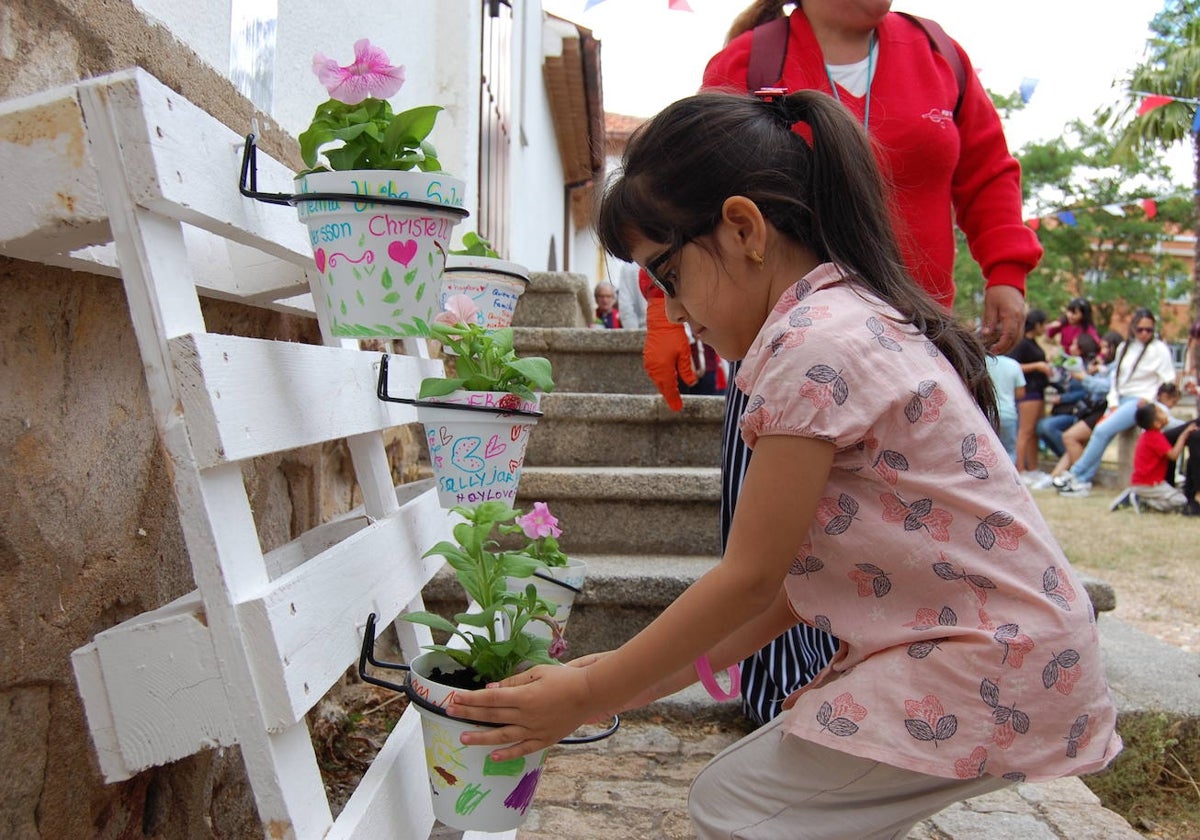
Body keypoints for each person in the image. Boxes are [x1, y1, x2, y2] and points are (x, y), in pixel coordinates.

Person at [448, 90, 1120, 839]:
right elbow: (789, 598)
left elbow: (750, 578)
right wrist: (619, 681)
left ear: (742, 228)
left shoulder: (811, 347)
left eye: (666, 274)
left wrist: (591, 695)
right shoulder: (842, 320)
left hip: (989, 662)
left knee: (739, 808)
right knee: (798, 804)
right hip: (1003, 653)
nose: (671, 312)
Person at [697, 0, 1044, 728]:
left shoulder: (938, 54)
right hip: (789, 357)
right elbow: (688, 198)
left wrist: (1006, 267)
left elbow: (987, 170)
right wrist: (666, 309)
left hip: (914, 349)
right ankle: (779, 718)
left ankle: (905, 718)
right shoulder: (747, 63)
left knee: (921, 548)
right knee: (783, 547)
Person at [1055, 309, 1178, 498]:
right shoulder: (1125, 347)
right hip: (1121, 399)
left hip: (1141, 400)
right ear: (1133, 328)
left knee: (1102, 430)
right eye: (1140, 329)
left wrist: (1152, 400)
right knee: (1100, 431)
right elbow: (1116, 379)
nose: (1144, 333)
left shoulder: (1159, 349)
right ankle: (1080, 477)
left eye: (1149, 329)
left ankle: (1078, 475)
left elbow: (1168, 380)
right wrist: (1113, 403)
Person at [1032, 331, 1117, 489]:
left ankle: (1079, 478)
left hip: (1099, 409)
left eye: (1106, 348)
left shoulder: (1109, 367)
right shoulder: (1096, 366)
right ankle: (1054, 477)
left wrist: (1085, 377)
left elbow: (1105, 387)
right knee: (1072, 440)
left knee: (1069, 437)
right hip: (1089, 409)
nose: (1102, 351)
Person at [1112, 401, 1195, 513]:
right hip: (1150, 484)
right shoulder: (1156, 438)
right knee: (1180, 501)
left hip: (1141, 482)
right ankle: (1144, 502)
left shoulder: (1147, 436)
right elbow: (1173, 455)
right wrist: (1184, 435)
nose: (1165, 414)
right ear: (1156, 423)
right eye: (1161, 412)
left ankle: (1137, 496)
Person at [1007, 310, 1052, 484]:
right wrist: (1037, 366)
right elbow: (1014, 366)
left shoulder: (1034, 343)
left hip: (1039, 390)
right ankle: (1020, 469)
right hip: (1029, 391)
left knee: (1034, 432)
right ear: (1037, 324)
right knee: (1025, 431)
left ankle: (1033, 467)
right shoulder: (1022, 344)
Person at [986, 354, 1025, 463]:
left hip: (987, 412)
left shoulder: (982, 361)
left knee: (988, 449)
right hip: (1008, 413)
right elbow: (1020, 393)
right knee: (1009, 451)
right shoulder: (1014, 364)